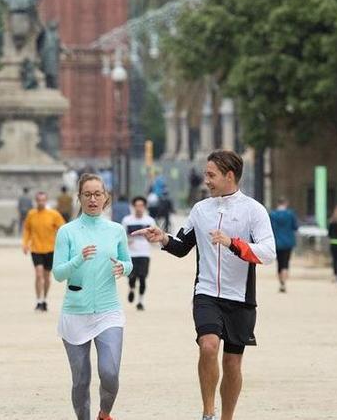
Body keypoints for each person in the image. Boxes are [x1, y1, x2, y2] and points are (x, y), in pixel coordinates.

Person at [132, 150, 275, 420]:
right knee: (208, 345)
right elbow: (182, 246)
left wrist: (233, 243)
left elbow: (268, 253)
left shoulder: (253, 211)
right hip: (206, 293)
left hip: (241, 298)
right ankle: (208, 413)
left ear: (229, 176)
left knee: (232, 363)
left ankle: (226, 417)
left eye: (211, 175)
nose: (205, 180)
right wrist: (162, 238)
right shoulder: (201, 210)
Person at [52, 173, 132, 420]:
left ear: (106, 197)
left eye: (98, 194)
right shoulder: (67, 232)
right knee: (81, 380)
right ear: (80, 198)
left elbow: (127, 262)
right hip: (75, 312)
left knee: (110, 373)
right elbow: (57, 273)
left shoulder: (116, 230)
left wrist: (123, 268)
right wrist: (78, 259)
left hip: (109, 312)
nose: (93, 199)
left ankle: (104, 413)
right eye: (87, 194)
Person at [22, 191, 66, 312]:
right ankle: (38, 300)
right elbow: (27, 229)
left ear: (46, 201)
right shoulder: (31, 214)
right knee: (38, 274)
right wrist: (25, 244)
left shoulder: (53, 214)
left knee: (47, 277)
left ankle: (45, 299)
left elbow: (63, 229)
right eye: (39, 200)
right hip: (36, 249)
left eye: (43, 200)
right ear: (36, 201)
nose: (41, 202)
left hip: (50, 249)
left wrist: (63, 244)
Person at [122, 196, 155, 310]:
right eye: (137, 206)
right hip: (131, 254)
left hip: (144, 253)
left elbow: (154, 236)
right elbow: (122, 236)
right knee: (132, 277)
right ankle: (131, 289)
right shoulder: (127, 220)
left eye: (141, 206)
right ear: (133, 207)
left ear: (145, 207)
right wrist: (127, 240)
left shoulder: (149, 221)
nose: (139, 208)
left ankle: (140, 301)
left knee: (142, 278)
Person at [269, 197, 299, 293]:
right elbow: (295, 227)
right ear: (286, 203)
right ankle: (284, 283)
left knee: (279, 263)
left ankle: (280, 282)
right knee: (286, 263)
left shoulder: (273, 214)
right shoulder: (290, 214)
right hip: (288, 242)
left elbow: (270, 227)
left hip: (277, 241)